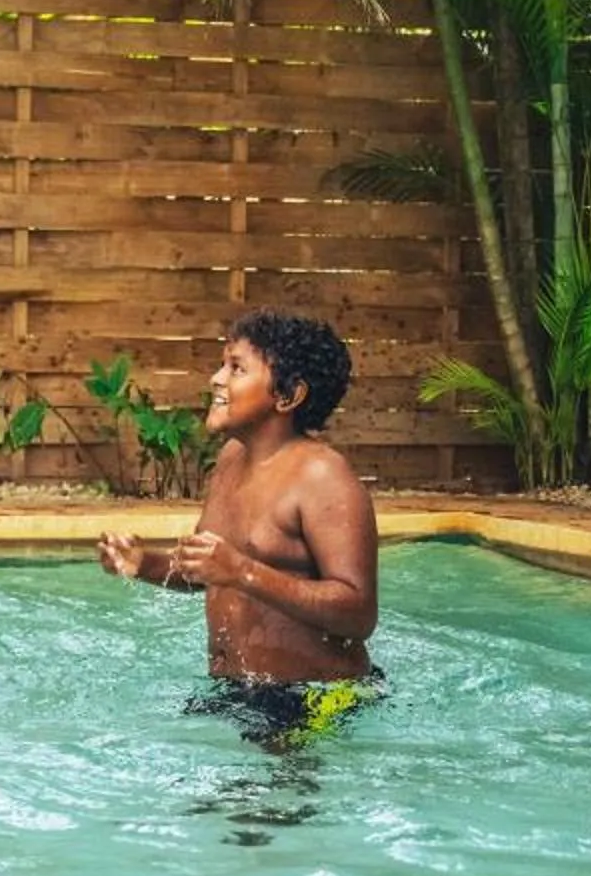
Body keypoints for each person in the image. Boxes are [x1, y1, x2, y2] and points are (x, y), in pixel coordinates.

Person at [96, 310, 380, 739]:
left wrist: (243, 571)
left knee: (260, 806)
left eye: (237, 368)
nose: (216, 378)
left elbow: (358, 615)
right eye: (222, 364)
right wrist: (145, 564)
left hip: (316, 698)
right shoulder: (231, 459)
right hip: (238, 690)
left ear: (288, 396)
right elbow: (208, 569)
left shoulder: (322, 477)